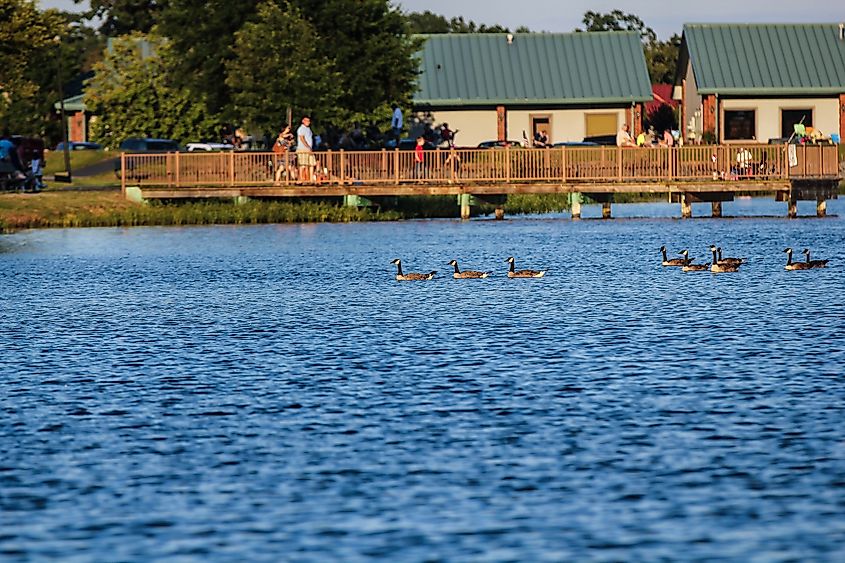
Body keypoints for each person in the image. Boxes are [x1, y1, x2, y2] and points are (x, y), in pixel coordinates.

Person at [296, 116, 314, 182]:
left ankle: (311, 179)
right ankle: (300, 179)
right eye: (306, 121)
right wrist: (307, 146)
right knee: (302, 164)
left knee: (311, 164)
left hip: (309, 149)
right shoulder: (301, 128)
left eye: (309, 121)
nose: (308, 122)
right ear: (303, 121)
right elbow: (302, 138)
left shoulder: (308, 129)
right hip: (302, 149)